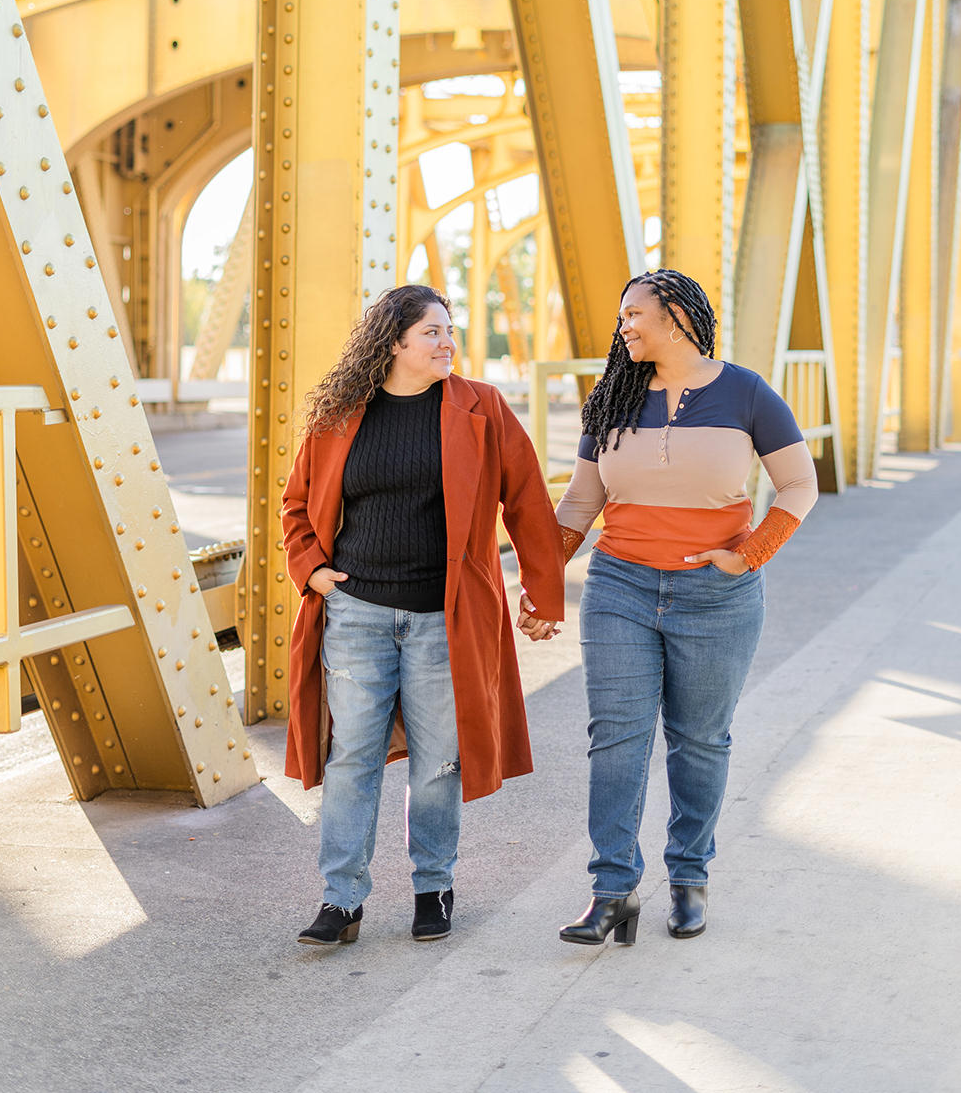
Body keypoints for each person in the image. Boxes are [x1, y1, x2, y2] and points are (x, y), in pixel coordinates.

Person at [282, 284, 563, 949]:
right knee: (352, 756)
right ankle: (341, 899)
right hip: (356, 614)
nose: (448, 342)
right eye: (433, 331)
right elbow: (296, 505)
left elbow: (525, 500)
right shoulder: (342, 412)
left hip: (444, 617)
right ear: (395, 342)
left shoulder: (480, 407)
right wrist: (312, 570)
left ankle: (433, 886)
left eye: (449, 329)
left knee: (439, 761)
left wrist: (543, 595)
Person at [555, 269, 818, 946]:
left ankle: (689, 877)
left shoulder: (745, 392)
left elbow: (797, 484)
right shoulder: (612, 396)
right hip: (619, 587)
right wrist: (539, 575)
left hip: (717, 596)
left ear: (675, 314)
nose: (623, 327)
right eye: (621, 317)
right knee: (615, 737)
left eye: (634, 314)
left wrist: (749, 554)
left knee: (699, 741)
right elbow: (581, 505)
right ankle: (612, 890)